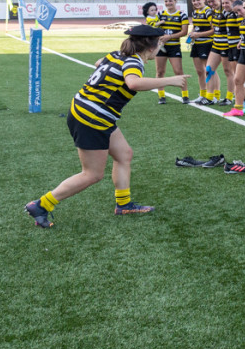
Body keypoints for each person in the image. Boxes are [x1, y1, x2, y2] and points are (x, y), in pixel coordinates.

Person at [25, 24, 188, 227]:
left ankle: (124, 204)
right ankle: (41, 205)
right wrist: (170, 80)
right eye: (159, 45)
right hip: (92, 118)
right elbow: (134, 83)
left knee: (124, 154)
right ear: (150, 47)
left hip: (86, 110)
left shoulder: (117, 54)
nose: (160, 48)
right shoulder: (134, 62)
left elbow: (98, 63)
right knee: (92, 174)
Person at [153, 0, 189, 105]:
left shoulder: (182, 15)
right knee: (160, 72)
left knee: (178, 71)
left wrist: (169, 36)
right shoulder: (160, 14)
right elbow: (153, 28)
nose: (168, 3)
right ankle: (161, 96)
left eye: (170, 1)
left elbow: (184, 32)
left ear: (175, 1)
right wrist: (159, 36)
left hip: (174, 46)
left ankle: (185, 96)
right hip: (161, 47)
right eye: (166, 1)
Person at [186, 0, 214, 104]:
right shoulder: (195, 12)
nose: (196, 2)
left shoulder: (208, 11)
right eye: (193, 0)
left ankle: (213, 95)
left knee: (209, 71)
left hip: (207, 44)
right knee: (199, 71)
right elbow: (196, 27)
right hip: (196, 44)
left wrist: (198, 35)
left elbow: (214, 30)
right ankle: (202, 95)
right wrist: (192, 33)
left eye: (198, 0)